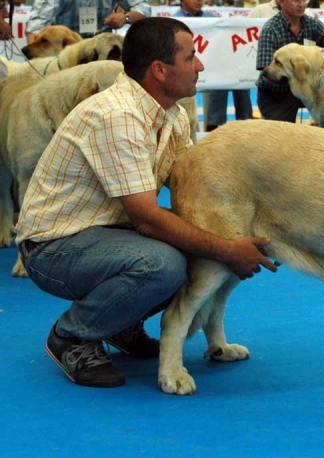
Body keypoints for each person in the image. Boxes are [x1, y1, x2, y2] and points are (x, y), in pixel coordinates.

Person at [16, 17, 277, 388]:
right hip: (52, 248)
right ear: (159, 70)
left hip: (104, 234)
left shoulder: (170, 114)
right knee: (163, 264)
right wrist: (228, 249)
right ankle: (72, 335)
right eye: (191, 58)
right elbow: (147, 219)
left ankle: (119, 323)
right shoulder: (117, 116)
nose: (200, 66)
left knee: (196, 244)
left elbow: (197, 183)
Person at [256, 0, 324, 123]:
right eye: (295, 0)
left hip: (308, 90)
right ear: (281, 2)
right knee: (280, 136)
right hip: (277, 93)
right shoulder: (270, 29)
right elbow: (267, 69)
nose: (301, 4)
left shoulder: (311, 23)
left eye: (303, 0)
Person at [173, 0, 254, 132]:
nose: (199, 1)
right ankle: (214, 124)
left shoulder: (213, 19)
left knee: (235, 76)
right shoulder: (175, 21)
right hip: (186, 70)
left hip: (214, 68)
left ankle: (245, 122)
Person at [25, 0, 151, 41]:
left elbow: (144, 9)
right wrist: (37, 64)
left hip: (101, 43)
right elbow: (36, 26)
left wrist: (125, 17)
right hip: (65, 44)